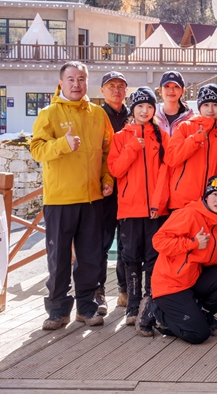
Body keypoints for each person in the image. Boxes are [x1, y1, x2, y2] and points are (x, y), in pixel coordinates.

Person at [30, 61, 113, 330]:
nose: (76, 84)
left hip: (91, 199)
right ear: (61, 83)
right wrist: (62, 144)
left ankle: (86, 308)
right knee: (59, 259)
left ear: (87, 82)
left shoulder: (98, 114)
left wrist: (107, 179)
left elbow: (107, 153)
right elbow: (36, 150)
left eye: (81, 79)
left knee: (90, 258)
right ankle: (57, 311)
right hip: (60, 199)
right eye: (71, 79)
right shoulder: (49, 114)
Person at [137, 174, 217, 342]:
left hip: (193, 280)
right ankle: (154, 311)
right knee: (198, 335)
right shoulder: (189, 214)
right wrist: (192, 243)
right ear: (206, 196)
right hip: (170, 285)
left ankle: (204, 314)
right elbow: (158, 241)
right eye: (215, 194)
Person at [107, 87, 170, 325]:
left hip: (156, 210)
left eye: (149, 106)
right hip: (129, 209)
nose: (144, 111)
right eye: (140, 106)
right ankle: (132, 305)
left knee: (154, 257)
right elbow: (115, 170)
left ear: (154, 109)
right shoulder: (120, 137)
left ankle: (149, 303)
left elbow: (166, 173)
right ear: (132, 109)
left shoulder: (163, 136)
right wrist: (133, 147)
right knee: (131, 257)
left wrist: (158, 204)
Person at [165, 84, 217, 212]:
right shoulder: (185, 127)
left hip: (211, 203)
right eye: (206, 105)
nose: (210, 109)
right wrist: (195, 139)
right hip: (182, 201)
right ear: (199, 107)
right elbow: (171, 159)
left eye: (215, 105)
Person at [98, 71, 130, 312]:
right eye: (111, 86)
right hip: (104, 189)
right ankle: (98, 292)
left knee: (126, 243)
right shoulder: (96, 115)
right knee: (101, 242)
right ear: (102, 90)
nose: (116, 90)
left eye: (120, 86)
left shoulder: (134, 115)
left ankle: (124, 290)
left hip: (130, 189)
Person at [155, 71, 194, 136]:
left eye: (176, 86)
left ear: (182, 91)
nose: (171, 90)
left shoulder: (190, 118)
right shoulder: (153, 115)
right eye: (167, 86)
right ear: (160, 90)